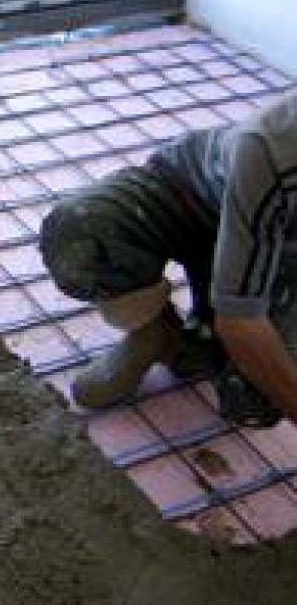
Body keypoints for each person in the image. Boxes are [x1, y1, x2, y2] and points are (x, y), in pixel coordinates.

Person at [39, 89, 297, 427]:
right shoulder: (275, 146)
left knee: (258, 395)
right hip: (195, 196)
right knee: (79, 233)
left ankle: (203, 340)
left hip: (280, 247)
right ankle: (156, 334)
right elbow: (241, 320)